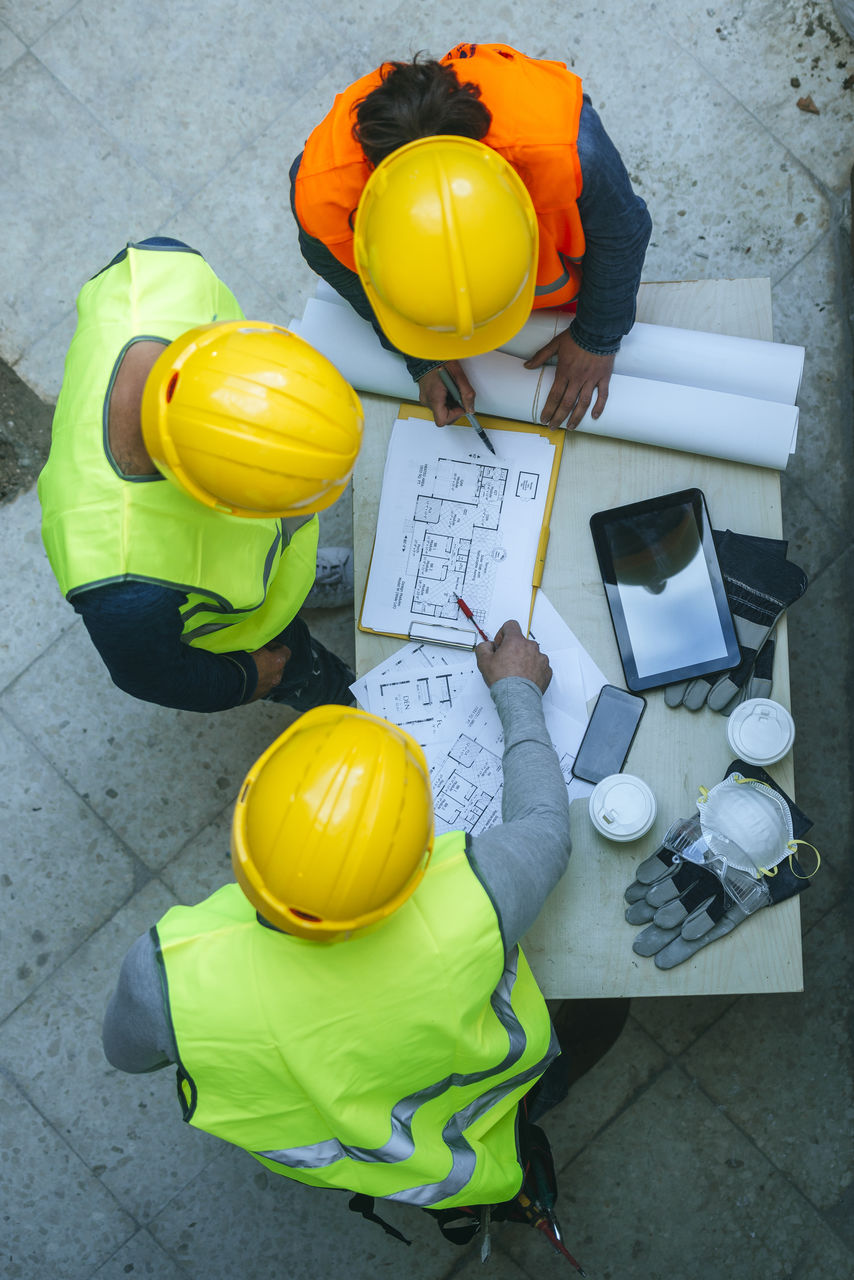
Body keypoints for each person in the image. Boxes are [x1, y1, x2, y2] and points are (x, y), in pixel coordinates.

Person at [102, 620, 580, 1218]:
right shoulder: (473, 897)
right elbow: (545, 828)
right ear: (421, 860)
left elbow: (127, 1055)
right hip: (473, 1142)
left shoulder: (167, 972)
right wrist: (518, 692)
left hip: (337, 1157)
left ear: (244, 834)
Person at [38, 237, 364, 713]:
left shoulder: (163, 269)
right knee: (303, 671)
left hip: (252, 565)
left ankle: (302, 582)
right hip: (243, 630)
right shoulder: (124, 583)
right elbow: (151, 674)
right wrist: (246, 676)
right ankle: (332, 696)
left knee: (279, 565)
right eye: (272, 499)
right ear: (210, 498)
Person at [290, 42, 652, 431]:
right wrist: (423, 355)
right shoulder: (323, 198)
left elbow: (621, 233)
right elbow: (333, 262)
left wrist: (596, 338)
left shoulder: (567, 150)